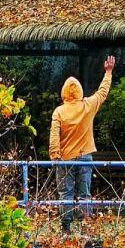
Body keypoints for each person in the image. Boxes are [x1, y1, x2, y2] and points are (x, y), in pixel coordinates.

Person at [49, 55, 115, 234]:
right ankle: (85, 226)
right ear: (79, 90)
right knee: (85, 192)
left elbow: (54, 135)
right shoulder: (87, 105)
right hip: (85, 156)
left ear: (63, 92)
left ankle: (66, 227)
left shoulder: (59, 111)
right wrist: (108, 72)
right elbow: (102, 93)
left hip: (65, 159)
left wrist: (55, 154)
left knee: (66, 193)